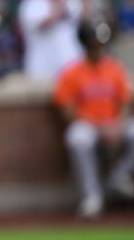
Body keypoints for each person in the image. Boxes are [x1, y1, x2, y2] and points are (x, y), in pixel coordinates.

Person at [54, 21, 134, 218]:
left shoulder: (115, 68)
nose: (98, 47)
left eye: (100, 43)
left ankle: (118, 178)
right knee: (77, 138)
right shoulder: (72, 72)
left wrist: (119, 124)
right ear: (86, 44)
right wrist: (98, 126)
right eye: (94, 43)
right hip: (89, 124)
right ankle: (92, 196)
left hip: (114, 123)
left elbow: (125, 102)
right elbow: (67, 110)